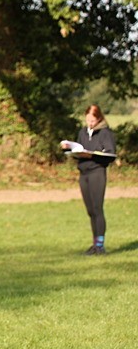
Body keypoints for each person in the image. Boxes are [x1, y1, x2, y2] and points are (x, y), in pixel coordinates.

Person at [61, 104, 117, 255]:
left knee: (97, 209)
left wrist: (92, 155)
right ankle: (94, 244)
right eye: (87, 120)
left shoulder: (105, 133)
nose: (90, 123)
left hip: (97, 173)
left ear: (99, 119)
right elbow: (79, 150)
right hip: (84, 173)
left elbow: (110, 155)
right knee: (90, 210)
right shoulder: (83, 132)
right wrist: (69, 149)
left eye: (92, 120)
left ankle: (100, 245)